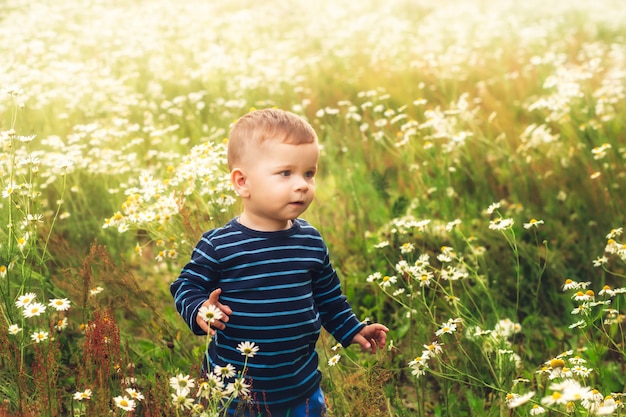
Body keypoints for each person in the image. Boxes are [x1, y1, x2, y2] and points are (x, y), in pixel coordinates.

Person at [170, 108, 388, 417]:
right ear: (242, 182)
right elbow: (186, 285)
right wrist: (201, 310)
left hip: (301, 387)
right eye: (286, 173)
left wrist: (351, 328)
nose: (302, 184)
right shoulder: (220, 245)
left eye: (309, 173)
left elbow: (328, 296)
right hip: (235, 391)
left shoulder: (310, 240)